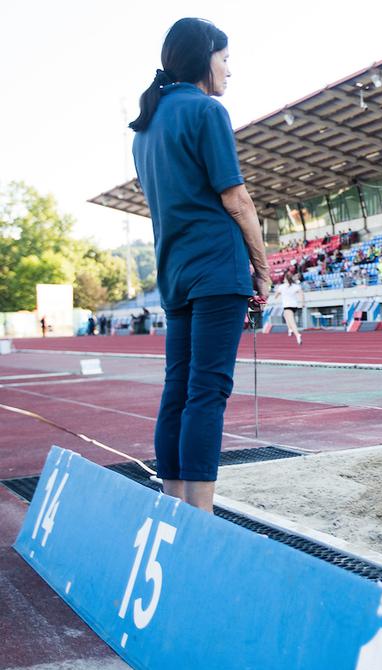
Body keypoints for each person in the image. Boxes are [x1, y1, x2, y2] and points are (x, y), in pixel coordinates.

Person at [130, 18, 270, 513]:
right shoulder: (208, 111)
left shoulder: (144, 129)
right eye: (225, 58)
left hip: (176, 272)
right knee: (208, 392)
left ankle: (173, 506)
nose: (229, 70)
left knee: (178, 390)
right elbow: (237, 199)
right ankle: (201, 516)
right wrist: (263, 267)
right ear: (203, 58)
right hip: (217, 268)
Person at [275, 272, 304, 344]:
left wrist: (278, 293)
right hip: (294, 306)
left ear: (285, 279)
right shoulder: (295, 286)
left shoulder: (282, 287)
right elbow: (302, 294)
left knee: (291, 321)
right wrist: (302, 303)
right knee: (286, 316)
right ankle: (290, 329)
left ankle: (297, 334)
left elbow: (276, 296)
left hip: (287, 306)